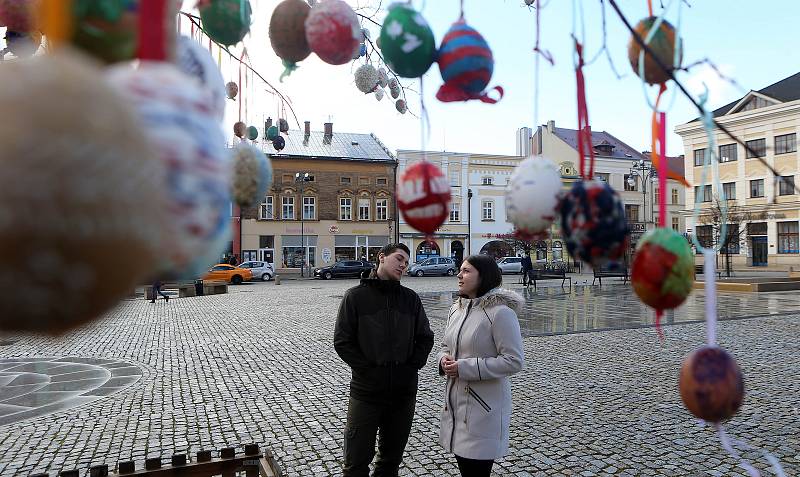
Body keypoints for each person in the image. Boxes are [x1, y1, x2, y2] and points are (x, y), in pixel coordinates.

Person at [334, 243, 434, 477]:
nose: (403, 265)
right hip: (366, 393)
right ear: (381, 257)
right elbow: (342, 342)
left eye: (406, 263)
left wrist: (410, 369)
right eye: (399, 259)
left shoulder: (410, 299)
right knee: (356, 463)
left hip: (403, 394)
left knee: (390, 462)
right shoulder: (355, 297)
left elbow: (425, 338)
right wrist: (368, 371)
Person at [438, 254, 525, 477]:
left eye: (466, 271)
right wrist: (443, 359)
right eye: (460, 269)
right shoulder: (456, 309)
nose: (459, 274)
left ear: (483, 276)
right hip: (456, 407)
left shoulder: (501, 313)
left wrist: (464, 368)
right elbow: (446, 345)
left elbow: (513, 361)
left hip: (483, 410)